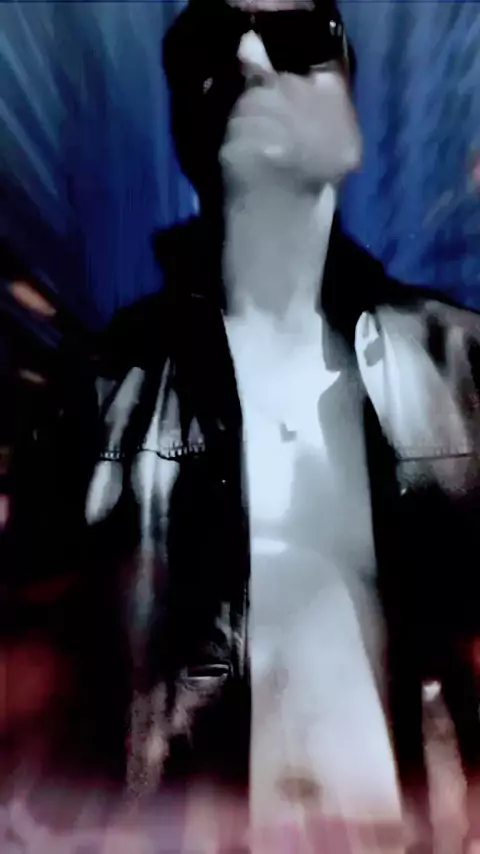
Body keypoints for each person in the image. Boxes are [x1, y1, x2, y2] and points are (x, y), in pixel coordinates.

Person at [3, 1, 480, 851]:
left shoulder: (464, 369)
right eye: (209, 44)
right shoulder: (95, 396)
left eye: (298, 41)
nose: (251, 58)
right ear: (183, 115)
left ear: (350, 112)